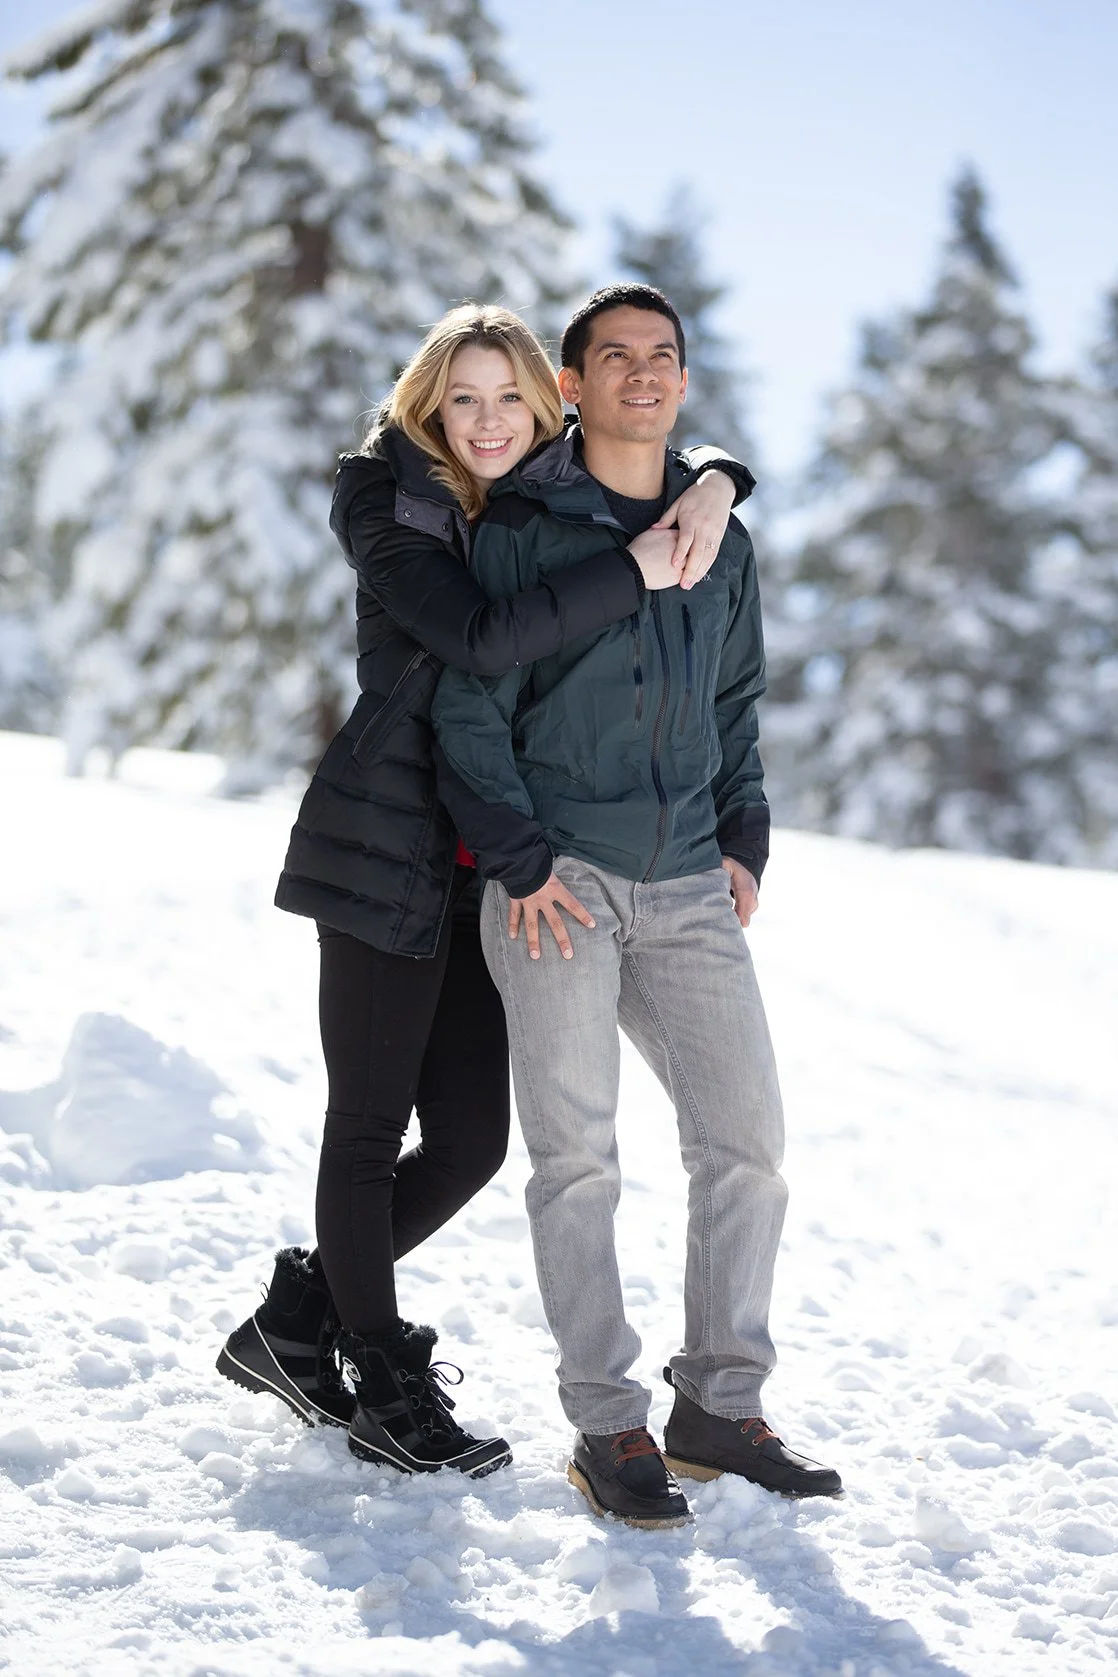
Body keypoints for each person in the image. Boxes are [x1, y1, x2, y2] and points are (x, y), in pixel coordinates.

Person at [216, 303, 752, 1479]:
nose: (488, 418)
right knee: (368, 1125)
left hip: (485, 871)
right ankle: (377, 1376)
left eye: (509, 395)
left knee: (466, 1144)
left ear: (547, 404)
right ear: (428, 408)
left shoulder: (527, 505)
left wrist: (715, 479)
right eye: (462, 398)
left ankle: (297, 1317)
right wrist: (631, 567)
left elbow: (652, 457)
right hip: (390, 846)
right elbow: (480, 638)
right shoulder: (390, 506)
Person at [431, 284, 842, 1524]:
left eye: (662, 355)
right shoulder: (520, 526)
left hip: (687, 883)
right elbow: (469, 706)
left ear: (683, 379)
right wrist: (520, 860)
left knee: (746, 1144)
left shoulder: (721, 536)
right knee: (577, 1162)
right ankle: (606, 1425)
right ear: (571, 386)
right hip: (554, 886)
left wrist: (744, 841)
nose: (643, 374)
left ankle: (717, 1404)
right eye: (615, 357)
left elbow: (735, 705)